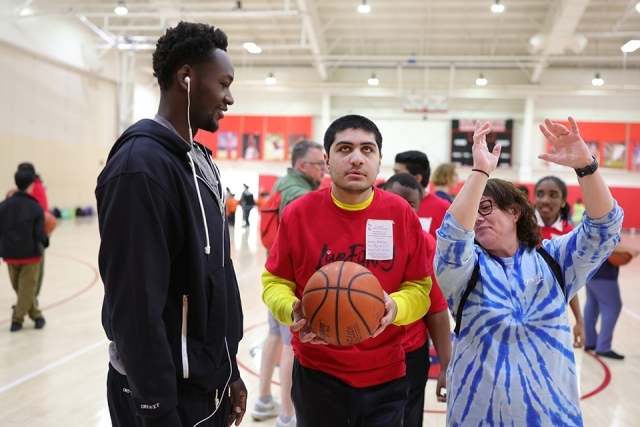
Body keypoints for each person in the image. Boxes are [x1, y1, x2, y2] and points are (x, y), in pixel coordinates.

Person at [95, 22, 246, 427]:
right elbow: (134, 305)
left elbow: (218, 277)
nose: (229, 97)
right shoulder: (139, 168)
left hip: (204, 382)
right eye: (224, 84)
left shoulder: (199, 161)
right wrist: (156, 408)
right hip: (161, 396)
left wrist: (229, 367)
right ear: (186, 78)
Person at [434, 117, 623, 425]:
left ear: (515, 212)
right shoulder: (465, 271)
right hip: (477, 417)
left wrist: (586, 166)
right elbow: (452, 236)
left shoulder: (553, 259)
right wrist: (480, 172)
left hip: (553, 416)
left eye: (486, 207)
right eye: (473, 210)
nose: (477, 218)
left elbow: (604, 229)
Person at [262, 114, 432, 427]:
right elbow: (274, 280)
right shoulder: (298, 213)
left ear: (380, 161)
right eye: (344, 149)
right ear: (327, 160)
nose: (356, 158)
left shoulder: (400, 214)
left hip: (387, 373)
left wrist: (397, 307)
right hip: (317, 373)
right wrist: (291, 308)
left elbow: (420, 289)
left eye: (367, 150)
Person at [252, 140, 326, 427]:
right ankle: (286, 415)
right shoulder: (298, 192)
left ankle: (263, 401)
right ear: (302, 165)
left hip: (276, 274)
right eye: (319, 163)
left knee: (274, 339)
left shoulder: (282, 183)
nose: (323, 168)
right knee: (290, 346)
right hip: (290, 284)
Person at [382, 173, 451, 427]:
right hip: (357, 352)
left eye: (410, 205)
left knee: (408, 420)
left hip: (409, 353)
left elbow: (437, 309)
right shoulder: (362, 232)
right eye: (394, 199)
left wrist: (446, 365)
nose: (401, 208)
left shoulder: (425, 243)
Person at [534, 175, 585, 348]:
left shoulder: (569, 233)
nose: (545, 200)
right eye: (540, 194)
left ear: (563, 202)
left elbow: (569, 280)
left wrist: (579, 320)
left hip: (552, 312)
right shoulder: (520, 225)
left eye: (553, 195)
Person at [0, 169, 48, 332]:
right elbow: (38, 234)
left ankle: (37, 316)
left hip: (9, 255)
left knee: (22, 290)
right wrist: (46, 241)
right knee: (26, 290)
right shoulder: (35, 208)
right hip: (30, 255)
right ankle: (17, 320)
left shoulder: (3, 206)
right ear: (31, 184)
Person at [584, 243, 639, 359]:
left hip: (589, 269)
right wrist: (629, 248)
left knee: (592, 304)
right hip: (603, 273)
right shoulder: (608, 224)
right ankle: (603, 347)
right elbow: (607, 242)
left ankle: (589, 341)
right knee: (613, 307)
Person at [6, 162, 50, 299]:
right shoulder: (36, 186)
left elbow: (32, 213)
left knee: (34, 271)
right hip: (34, 233)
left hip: (35, 234)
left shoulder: (34, 188)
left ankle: (30, 300)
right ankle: (28, 301)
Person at [393, 150, 450, 239]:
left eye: (397, 173)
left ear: (417, 178)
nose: (393, 178)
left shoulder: (444, 208)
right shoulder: (390, 205)